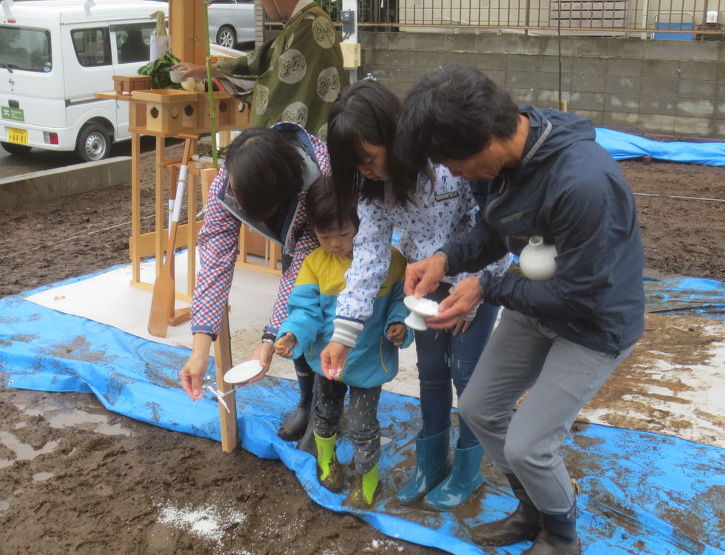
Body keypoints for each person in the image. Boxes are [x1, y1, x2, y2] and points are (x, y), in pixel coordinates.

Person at [398, 65, 645, 554]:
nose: (452, 173)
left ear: (487, 138)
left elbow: (582, 294)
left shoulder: (583, 182)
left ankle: (561, 537)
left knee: (529, 445)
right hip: (536, 302)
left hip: (594, 322)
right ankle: (533, 508)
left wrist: (486, 287)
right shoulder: (499, 166)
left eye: (451, 161)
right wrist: (446, 258)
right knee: (478, 408)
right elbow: (495, 229)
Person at [320, 80, 512, 510]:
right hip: (425, 285)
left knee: (466, 374)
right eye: (355, 165)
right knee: (430, 372)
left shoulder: (445, 163)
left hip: (476, 280)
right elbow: (367, 258)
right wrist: (342, 335)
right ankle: (432, 465)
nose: (365, 170)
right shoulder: (373, 191)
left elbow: (494, 224)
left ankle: (467, 470)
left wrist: (477, 289)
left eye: (368, 158)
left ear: (392, 135)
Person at [179, 122, 329, 443]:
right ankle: (306, 401)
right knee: (293, 327)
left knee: (317, 314)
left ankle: (325, 408)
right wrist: (199, 349)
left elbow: (300, 275)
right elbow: (215, 262)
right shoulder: (233, 177)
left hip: (336, 238)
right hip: (296, 232)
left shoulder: (318, 178)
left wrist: (267, 341)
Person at [274, 176, 412, 508]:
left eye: (344, 234)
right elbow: (304, 309)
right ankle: (326, 462)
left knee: (364, 425)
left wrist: (398, 322)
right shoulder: (314, 264)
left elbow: (400, 298)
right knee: (325, 413)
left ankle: (368, 482)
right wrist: (292, 333)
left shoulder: (390, 261)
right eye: (325, 236)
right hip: (327, 360)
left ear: (364, 223)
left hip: (367, 361)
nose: (335, 244)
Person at [176, 0, 347, 139]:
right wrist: (207, 71)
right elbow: (261, 61)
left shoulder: (310, 25)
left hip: (316, 134)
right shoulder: (302, 22)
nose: (261, 5)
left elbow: (276, 89)